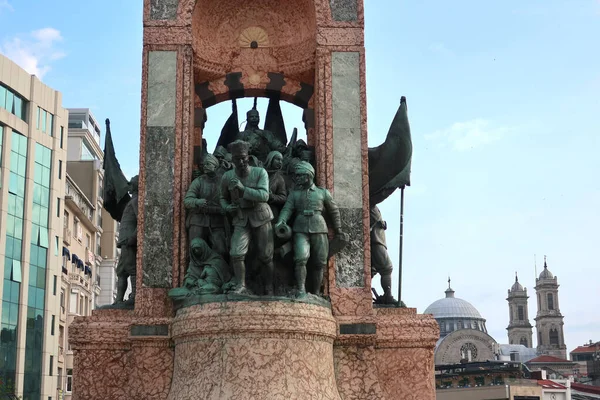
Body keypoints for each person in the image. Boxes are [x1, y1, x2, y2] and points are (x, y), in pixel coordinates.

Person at [276, 162, 343, 296]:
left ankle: (317, 292)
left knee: (320, 262)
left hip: (319, 227)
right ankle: (301, 289)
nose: (298, 178)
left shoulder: (322, 193)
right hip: (300, 229)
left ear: (308, 176)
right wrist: (281, 222)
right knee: (300, 259)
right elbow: (287, 209)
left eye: (300, 176)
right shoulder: (294, 194)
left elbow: (334, 211)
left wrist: (338, 229)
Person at [220, 140, 275, 295]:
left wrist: (243, 189)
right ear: (233, 160)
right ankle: (241, 286)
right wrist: (226, 207)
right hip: (241, 217)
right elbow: (222, 197)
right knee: (236, 253)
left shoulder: (260, 172)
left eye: (243, 158)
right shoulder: (227, 176)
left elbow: (264, 195)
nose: (241, 161)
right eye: (237, 158)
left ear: (248, 157)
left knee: (265, 256)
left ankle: (269, 287)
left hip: (261, 216)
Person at [184, 154, 228, 257]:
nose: (205, 166)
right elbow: (187, 200)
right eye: (204, 164)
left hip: (217, 221)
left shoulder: (223, 181)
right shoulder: (198, 181)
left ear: (215, 166)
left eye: (208, 164)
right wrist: (197, 202)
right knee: (195, 251)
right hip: (198, 220)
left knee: (221, 251)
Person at [115, 175, 139, 304]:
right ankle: (118, 300)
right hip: (125, 241)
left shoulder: (136, 201)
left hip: (128, 241)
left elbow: (141, 220)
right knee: (121, 272)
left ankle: (135, 297)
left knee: (131, 269)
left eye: (132, 183)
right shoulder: (132, 200)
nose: (130, 186)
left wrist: (133, 238)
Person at [370, 205, 395, 304]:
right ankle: (387, 296)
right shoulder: (370, 201)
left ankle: (366, 294)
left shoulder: (374, 205)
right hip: (375, 241)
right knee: (387, 268)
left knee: (372, 270)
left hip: (378, 240)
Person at [264, 150, 287, 219]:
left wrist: (272, 196)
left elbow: (283, 197)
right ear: (270, 159)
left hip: (271, 211)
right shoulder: (260, 172)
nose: (280, 162)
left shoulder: (279, 178)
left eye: (281, 160)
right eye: (278, 159)